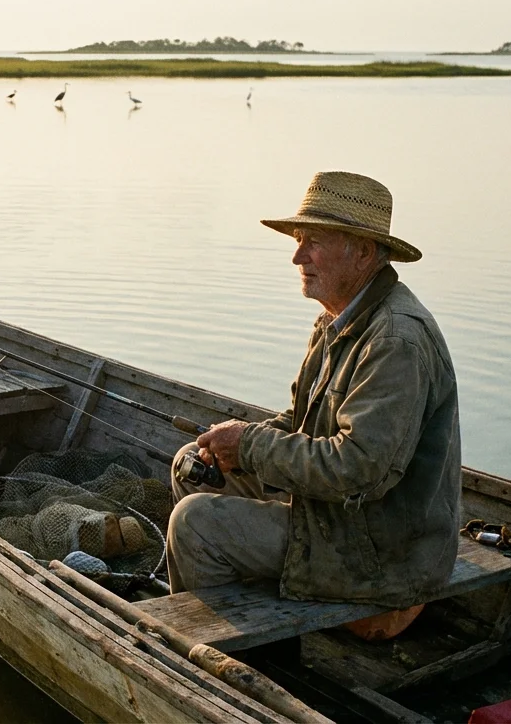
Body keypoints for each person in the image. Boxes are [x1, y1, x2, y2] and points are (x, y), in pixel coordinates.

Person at [166, 171, 461, 609]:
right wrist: (233, 445)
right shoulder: (336, 319)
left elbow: (359, 468)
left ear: (362, 252)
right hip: (341, 521)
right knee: (189, 467)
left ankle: (247, 654)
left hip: (385, 555)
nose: (297, 257)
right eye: (297, 240)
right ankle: (260, 610)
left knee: (194, 523)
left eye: (313, 242)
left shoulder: (396, 341)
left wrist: (248, 446)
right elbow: (300, 422)